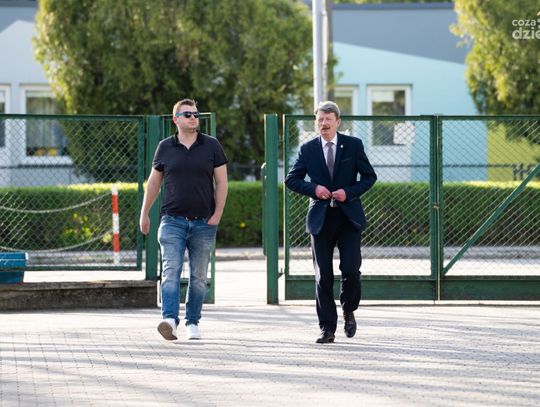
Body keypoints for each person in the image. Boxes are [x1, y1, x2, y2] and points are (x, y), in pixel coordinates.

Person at [285, 101, 377, 344]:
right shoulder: (308, 149)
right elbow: (292, 180)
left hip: (348, 218)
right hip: (321, 219)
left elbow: (369, 177)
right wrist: (314, 188)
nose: (324, 123)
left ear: (338, 122)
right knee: (322, 275)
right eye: (320, 119)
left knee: (351, 270)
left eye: (328, 119)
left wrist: (349, 192)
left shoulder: (353, 145)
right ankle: (327, 328)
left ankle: (349, 310)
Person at [139, 98, 228, 341]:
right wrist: (144, 213)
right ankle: (169, 320)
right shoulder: (165, 147)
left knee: (198, 277)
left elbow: (222, 182)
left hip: (203, 223)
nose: (193, 118)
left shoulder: (211, 145)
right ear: (176, 119)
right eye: (187, 114)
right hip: (172, 221)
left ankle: (193, 322)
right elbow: (154, 183)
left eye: (195, 114)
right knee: (171, 271)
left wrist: (217, 214)